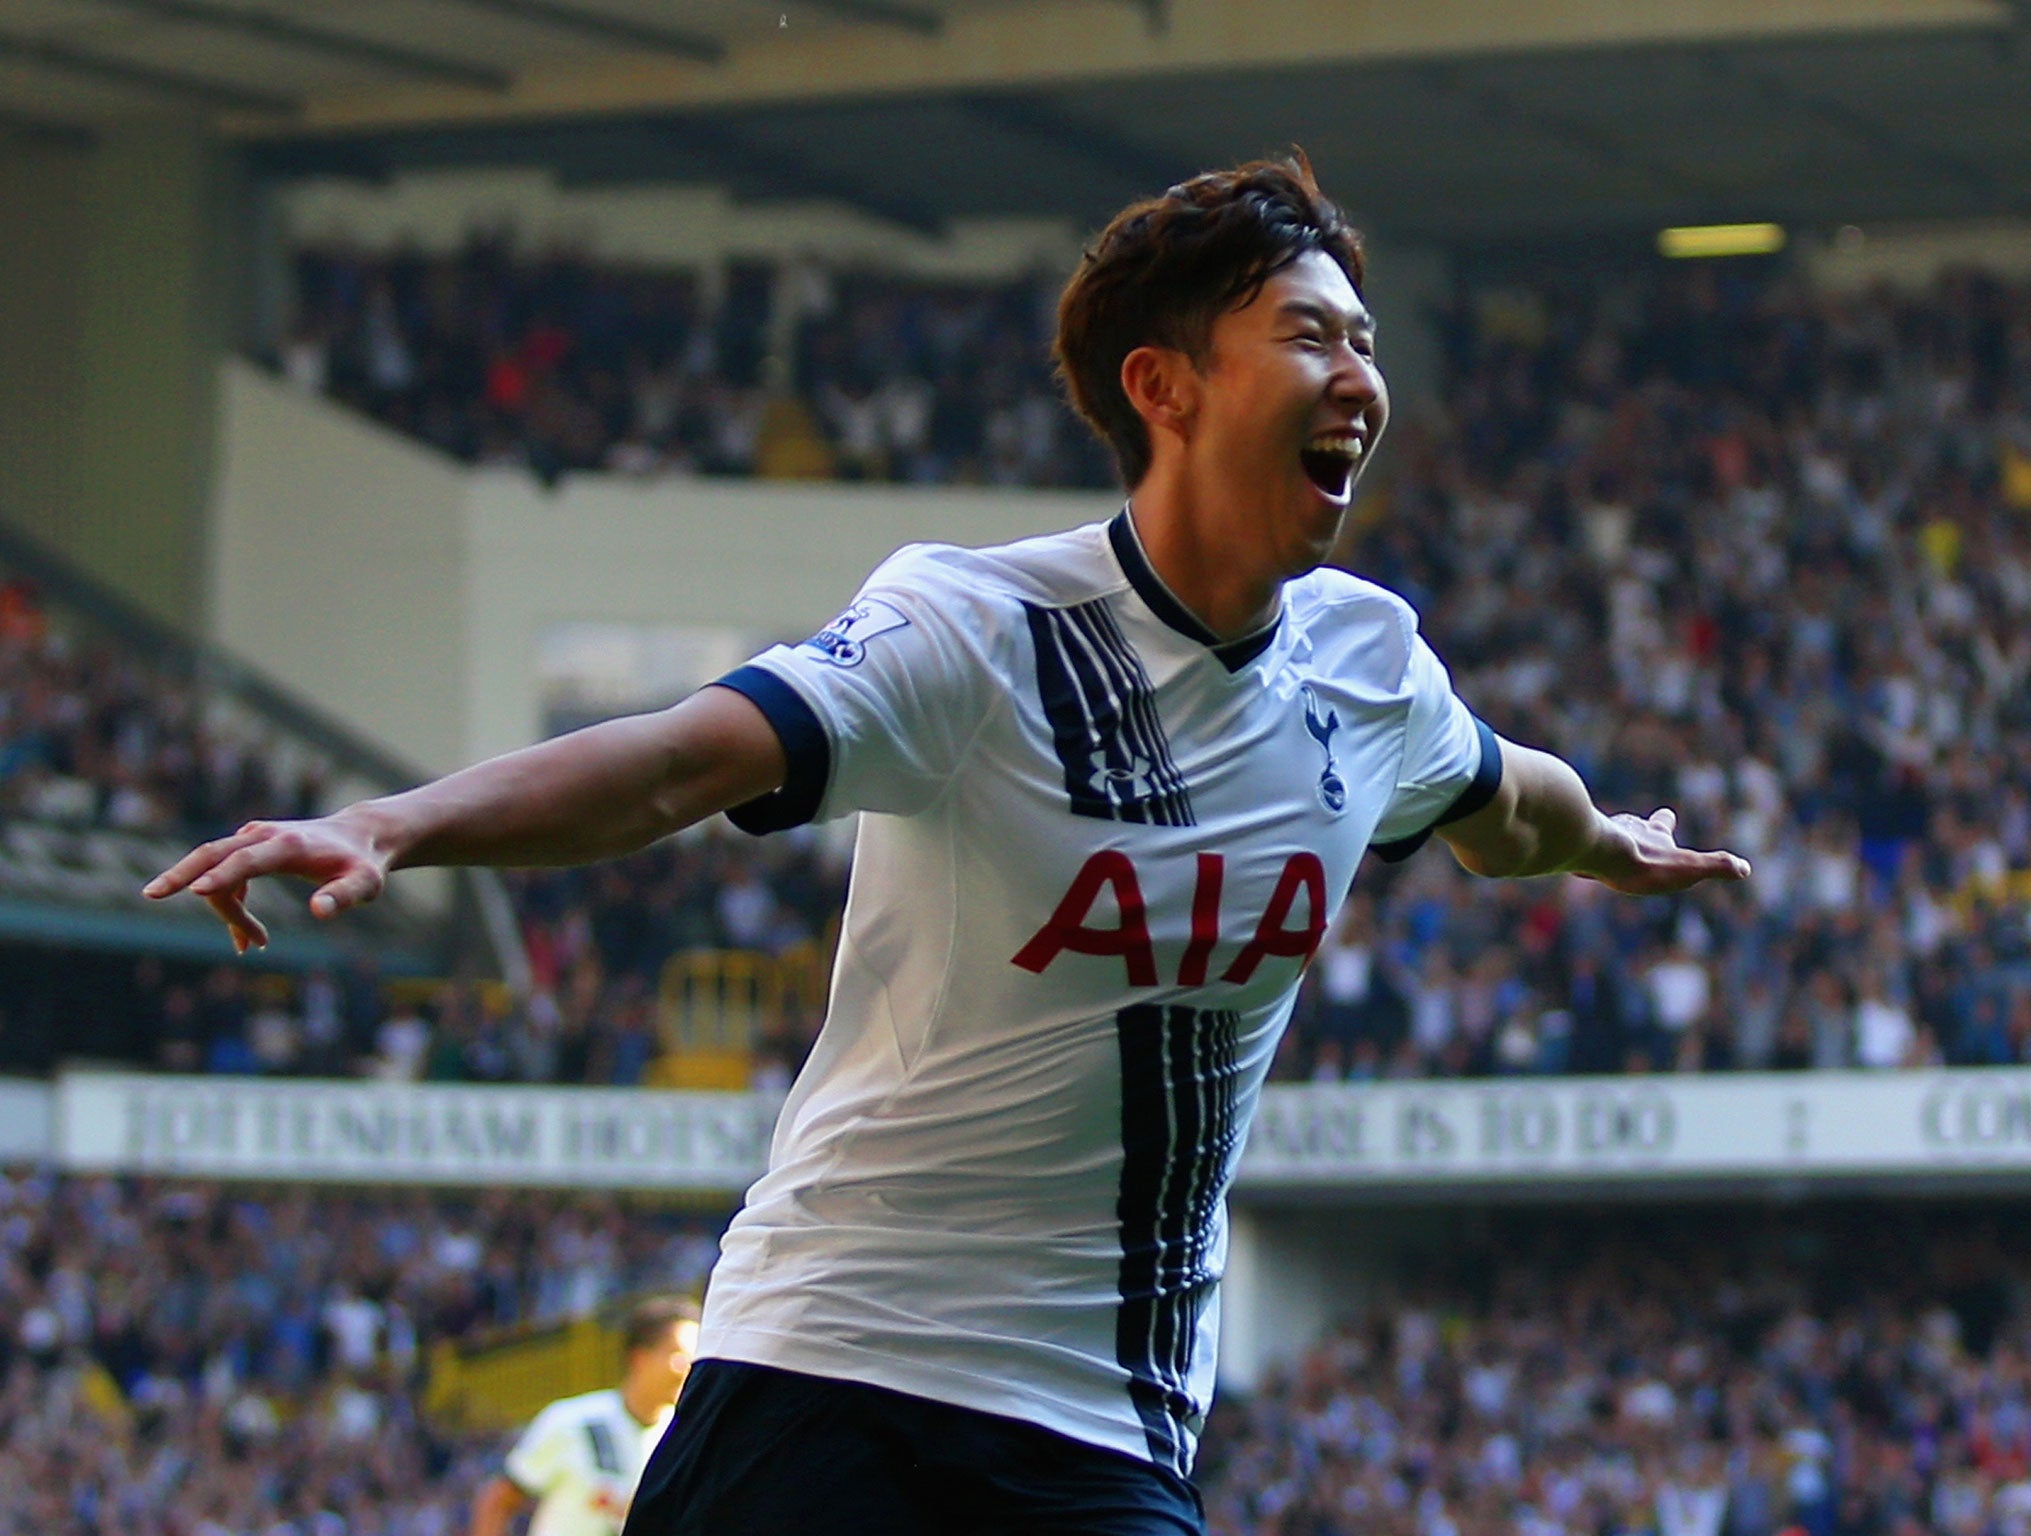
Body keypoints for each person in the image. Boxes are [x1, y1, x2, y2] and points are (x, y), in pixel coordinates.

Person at [146, 153, 1748, 1534]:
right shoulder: (976, 633)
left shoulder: (1368, 664)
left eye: (1367, 343)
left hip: (1099, 1420)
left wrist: (1612, 843)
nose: (1361, 380)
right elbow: (671, 765)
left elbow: (1505, 807)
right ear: (1164, 385)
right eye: (1308, 336)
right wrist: (389, 822)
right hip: (830, 1367)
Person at [469, 1295, 700, 1536]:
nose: (689, 1367)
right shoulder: (572, 1421)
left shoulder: (683, 1441)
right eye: (678, 1354)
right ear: (639, 1357)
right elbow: (498, 1499)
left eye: (695, 1358)